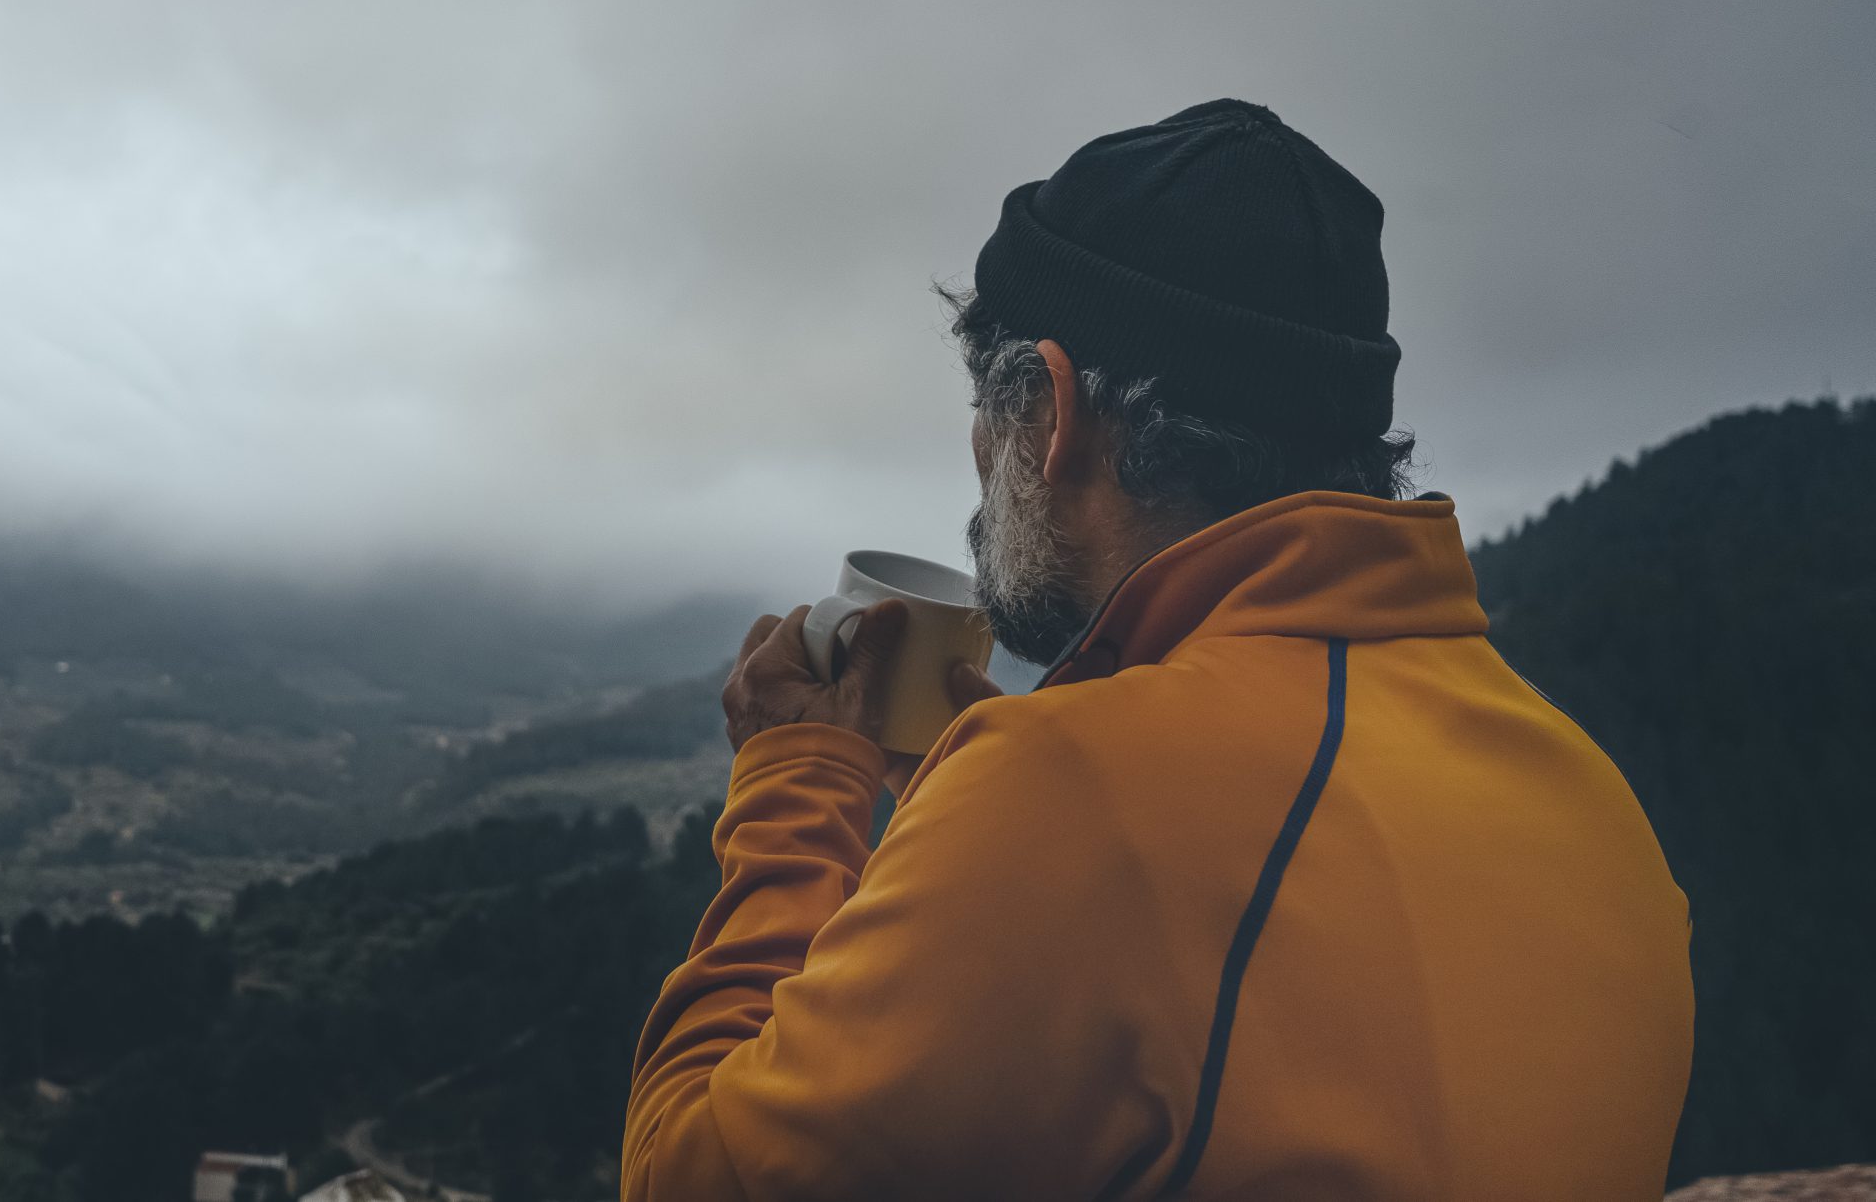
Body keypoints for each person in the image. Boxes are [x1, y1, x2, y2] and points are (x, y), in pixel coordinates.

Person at [622, 100, 1693, 1200]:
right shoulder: (1590, 799)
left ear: (1053, 413)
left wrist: (795, 795)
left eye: (985, 413)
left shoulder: (1072, 793)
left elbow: (685, 1179)